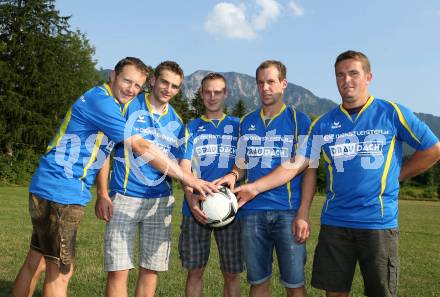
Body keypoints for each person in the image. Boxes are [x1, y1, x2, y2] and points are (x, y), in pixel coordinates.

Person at [235, 50, 440, 297]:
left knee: (381, 292)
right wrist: (255, 187)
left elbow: (432, 149)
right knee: (334, 293)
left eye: (354, 73)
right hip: (335, 221)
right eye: (340, 75)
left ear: (368, 77)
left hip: (377, 220)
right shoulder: (323, 122)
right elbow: (297, 162)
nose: (346, 80)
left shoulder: (391, 112)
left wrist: (397, 175)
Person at [12, 57, 215, 297]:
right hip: (62, 189)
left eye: (136, 85)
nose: (131, 88)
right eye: (127, 81)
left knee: (38, 259)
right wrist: (190, 180)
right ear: (113, 76)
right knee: (61, 271)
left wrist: (100, 192)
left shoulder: (107, 101)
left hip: (51, 185)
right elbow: (139, 145)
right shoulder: (106, 103)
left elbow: (105, 149)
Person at [95, 61, 195, 297]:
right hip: (124, 197)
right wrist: (102, 193)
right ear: (153, 81)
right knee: (118, 270)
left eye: (174, 86)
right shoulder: (127, 106)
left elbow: (181, 168)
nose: (168, 89)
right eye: (164, 82)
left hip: (160, 202)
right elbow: (103, 150)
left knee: (150, 270)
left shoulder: (178, 123)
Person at [216, 60, 311, 297]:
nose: (265, 87)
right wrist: (233, 175)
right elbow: (242, 163)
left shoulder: (302, 121)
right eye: (260, 82)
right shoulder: (246, 122)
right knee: (258, 282)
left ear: (283, 84)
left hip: (287, 211)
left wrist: (303, 212)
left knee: (295, 284)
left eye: (271, 81)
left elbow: (307, 168)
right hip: (251, 212)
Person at [178, 73, 244, 297]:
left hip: (231, 209)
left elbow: (244, 164)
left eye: (217, 92)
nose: (212, 96)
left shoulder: (239, 126)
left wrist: (234, 174)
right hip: (195, 207)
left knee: (232, 273)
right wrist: (191, 199)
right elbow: (184, 168)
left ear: (225, 94)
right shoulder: (190, 127)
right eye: (207, 92)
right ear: (201, 93)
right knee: (195, 271)